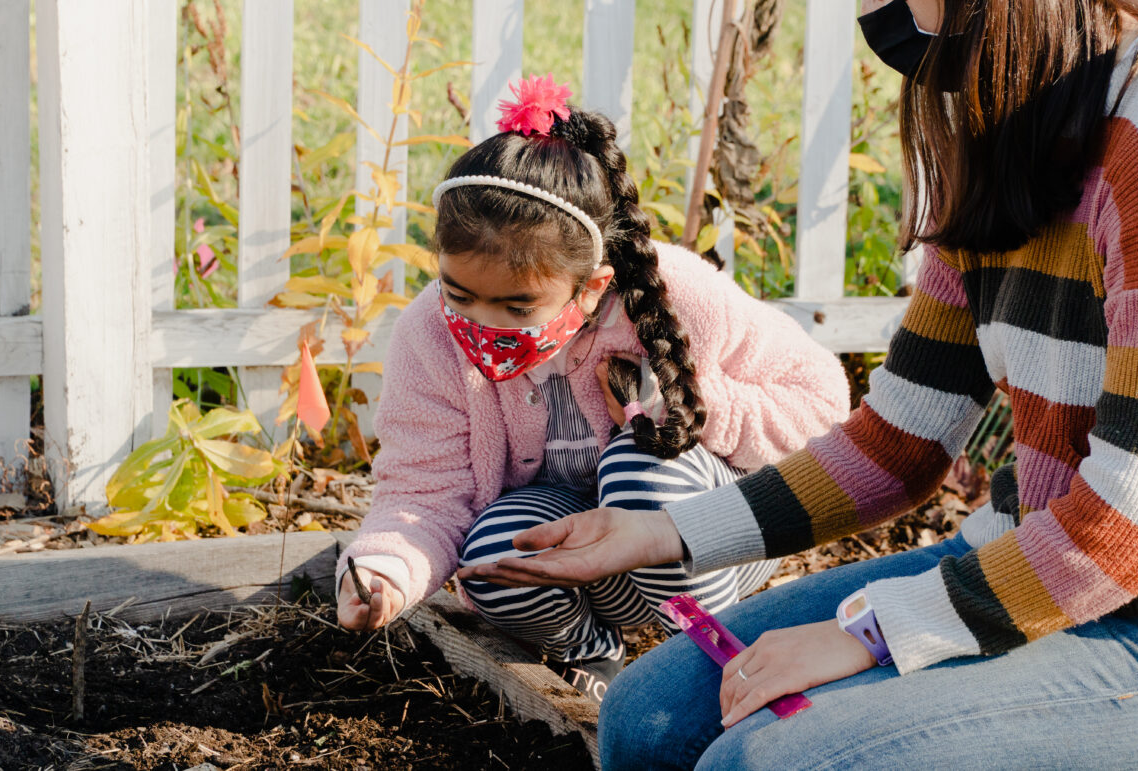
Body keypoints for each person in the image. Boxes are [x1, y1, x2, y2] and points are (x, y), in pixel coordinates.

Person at [458, 0, 1138, 766]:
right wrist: (659, 531)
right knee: (646, 722)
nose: (869, 7)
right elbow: (899, 442)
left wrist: (870, 630)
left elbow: (1136, 519)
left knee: (770, 760)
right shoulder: (1001, 122)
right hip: (1028, 561)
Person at [334, 75, 851, 703]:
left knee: (640, 467)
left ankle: (709, 649)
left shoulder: (678, 295)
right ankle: (589, 651)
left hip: (706, 543)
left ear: (589, 286)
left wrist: (691, 404)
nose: (483, 324)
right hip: (580, 552)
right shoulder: (430, 334)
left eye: (518, 305)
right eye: (460, 294)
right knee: (495, 550)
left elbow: (822, 400)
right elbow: (423, 491)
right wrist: (386, 571)